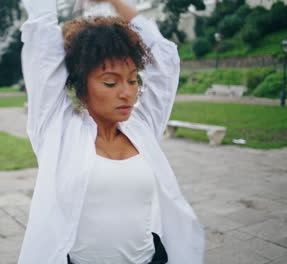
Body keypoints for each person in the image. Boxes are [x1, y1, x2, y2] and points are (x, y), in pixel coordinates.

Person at [18, 0, 204, 263]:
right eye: (110, 82)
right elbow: (42, 40)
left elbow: (163, 57)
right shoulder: (58, 132)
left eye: (132, 80)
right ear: (82, 86)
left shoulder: (142, 127)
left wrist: (115, 1)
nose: (126, 93)